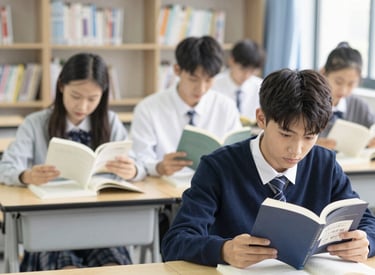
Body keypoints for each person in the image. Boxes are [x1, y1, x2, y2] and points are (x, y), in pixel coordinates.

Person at [161, 68, 375, 269]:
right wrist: (224, 250)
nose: (297, 150)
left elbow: (367, 221)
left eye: (309, 137)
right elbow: (175, 242)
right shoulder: (218, 167)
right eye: (286, 134)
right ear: (261, 118)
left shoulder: (324, 164)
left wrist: (366, 242)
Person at [0, 52, 146, 271]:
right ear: (61, 87)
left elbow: (140, 165)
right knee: (66, 268)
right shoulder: (35, 124)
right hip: (50, 224)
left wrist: (132, 170)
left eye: (92, 99)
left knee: (114, 266)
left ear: (103, 95)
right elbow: (5, 168)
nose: (83, 106)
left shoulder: (111, 122)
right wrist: (26, 175)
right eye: (76, 96)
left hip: (101, 223)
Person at [130, 36, 241, 177]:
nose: (201, 89)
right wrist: (159, 167)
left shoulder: (226, 107)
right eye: (193, 79)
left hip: (213, 189)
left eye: (208, 80)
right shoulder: (148, 109)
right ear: (177, 70)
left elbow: (238, 154)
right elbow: (139, 159)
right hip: (165, 189)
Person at [317, 42, 375, 149]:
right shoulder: (309, 102)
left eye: (351, 84)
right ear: (323, 73)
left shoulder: (359, 105)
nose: (343, 91)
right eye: (338, 82)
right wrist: (312, 145)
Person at [212, 38, 265, 122]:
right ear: (231, 61)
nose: (246, 75)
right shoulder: (214, 84)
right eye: (243, 69)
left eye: (251, 71)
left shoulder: (261, 87)